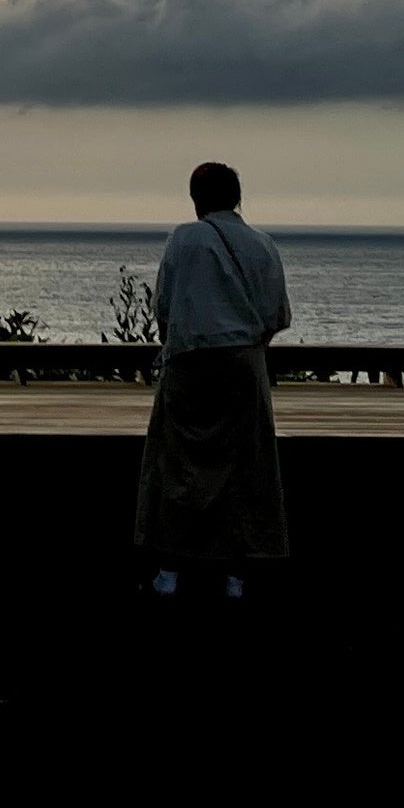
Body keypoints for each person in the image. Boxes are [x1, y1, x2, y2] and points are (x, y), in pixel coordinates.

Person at [134, 159, 291, 599]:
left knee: (179, 464)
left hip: (189, 361)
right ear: (238, 197)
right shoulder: (262, 245)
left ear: (196, 199)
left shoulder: (184, 239)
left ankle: (170, 567)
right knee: (243, 468)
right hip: (243, 363)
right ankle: (237, 573)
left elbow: (164, 307)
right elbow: (276, 313)